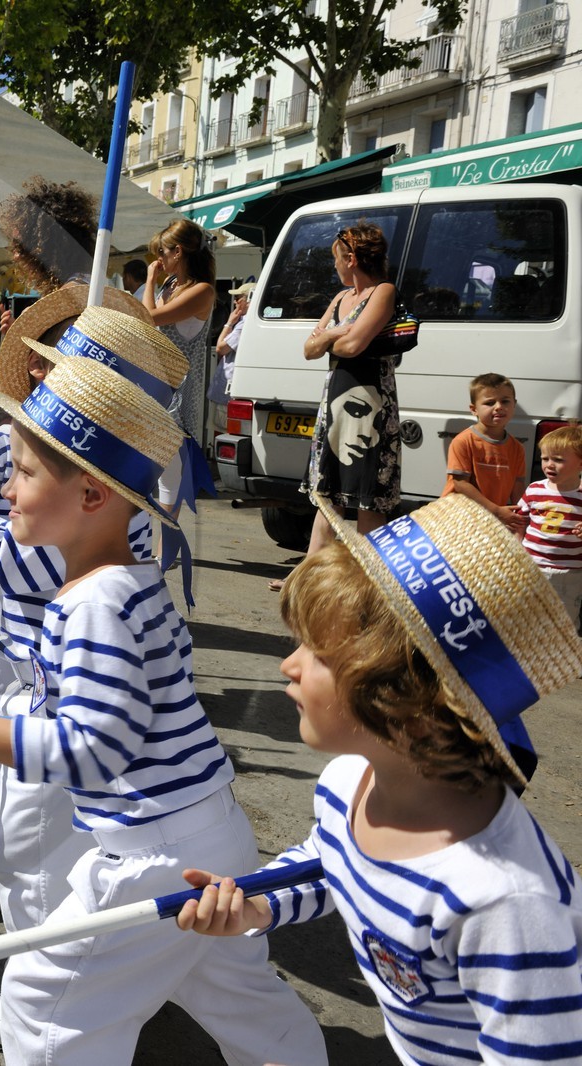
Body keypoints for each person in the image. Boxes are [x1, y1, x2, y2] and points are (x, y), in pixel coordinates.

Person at [0, 353, 326, 1064]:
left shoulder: (95, 603)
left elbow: (92, 750)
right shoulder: (128, 581)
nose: (8, 488)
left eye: (24, 474)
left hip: (155, 851)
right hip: (206, 830)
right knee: (237, 994)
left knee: (43, 1005)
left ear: (91, 495)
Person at [177, 492, 582, 1064]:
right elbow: (333, 860)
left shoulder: (506, 906)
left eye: (318, 654)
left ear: (407, 706)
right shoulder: (348, 782)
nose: (288, 665)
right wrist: (258, 904)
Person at [280, 220, 401, 592]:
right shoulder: (340, 298)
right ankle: (306, 582)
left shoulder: (383, 291)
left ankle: (369, 586)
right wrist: (335, 333)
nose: (334, 265)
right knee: (327, 494)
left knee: (367, 498)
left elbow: (353, 347)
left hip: (369, 404)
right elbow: (308, 349)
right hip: (334, 401)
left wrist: (328, 339)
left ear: (351, 259)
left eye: (336, 258)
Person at [142, 219, 215, 445]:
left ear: (178, 252)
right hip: (157, 383)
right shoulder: (171, 284)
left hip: (179, 390)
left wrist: (150, 280)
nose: (158, 259)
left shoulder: (202, 291)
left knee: (173, 457)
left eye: (161, 252)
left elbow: (149, 317)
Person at [516, 423, 582, 630]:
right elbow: (520, 521)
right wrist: (516, 549)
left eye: (558, 460)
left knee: (563, 621)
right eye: (545, 459)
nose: (549, 465)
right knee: (526, 614)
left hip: (568, 573)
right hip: (532, 565)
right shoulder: (535, 489)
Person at [443, 372, 524, 531]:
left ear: (514, 404)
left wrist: (520, 517)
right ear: (474, 409)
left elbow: (518, 485)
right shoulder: (463, 441)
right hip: (460, 518)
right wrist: (496, 511)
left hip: (491, 521)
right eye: (490, 402)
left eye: (505, 401)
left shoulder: (517, 448)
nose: (499, 407)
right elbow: (460, 484)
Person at [210, 280, 254, 437]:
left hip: (228, 390)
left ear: (250, 300)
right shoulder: (247, 321)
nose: (235, 302)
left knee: (222, 433)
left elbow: (221, 348)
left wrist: (228, 323)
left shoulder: (244, 323)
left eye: (238, 298)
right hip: (231, 388)